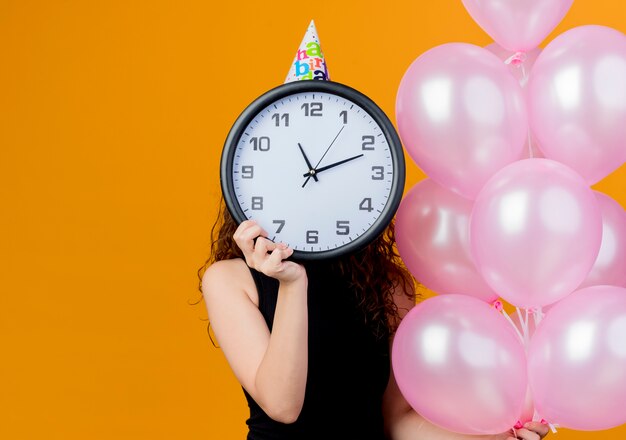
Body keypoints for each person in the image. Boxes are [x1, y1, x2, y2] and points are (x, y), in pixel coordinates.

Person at [198, 199, 550, 440]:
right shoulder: (229, 279)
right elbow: (283, 406)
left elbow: (397, 421)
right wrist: (292, 282)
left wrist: (499, 438)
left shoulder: (388, 284)